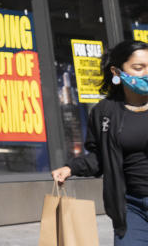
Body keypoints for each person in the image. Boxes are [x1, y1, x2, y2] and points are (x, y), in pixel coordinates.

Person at [52, 40, 148, 245]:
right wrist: (71, 167)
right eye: (139, 68)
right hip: (131, 208)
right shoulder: (105, 112)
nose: (146, 73)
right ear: (117, 72)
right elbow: (101, 157)